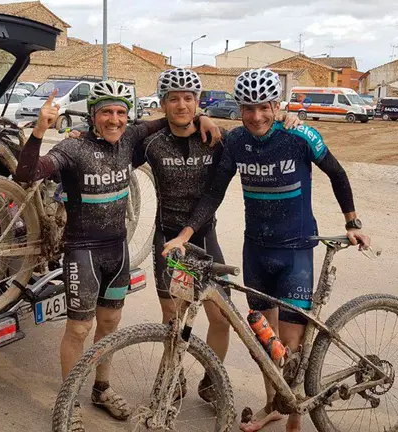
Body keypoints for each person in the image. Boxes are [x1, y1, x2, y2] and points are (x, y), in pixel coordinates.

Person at [162, 68, 370, 432]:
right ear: (240, 109)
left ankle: (294, 419)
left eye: (264, 107)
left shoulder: (299, 135)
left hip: (295, 250)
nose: (256, 116)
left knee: (290, 347)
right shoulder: (237, 142)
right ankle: (274, 404)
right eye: (248, 108)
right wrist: (186, 234)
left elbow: (337, 173)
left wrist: (353, 223)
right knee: (264, 343)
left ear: (276, 104)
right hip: (256, 249)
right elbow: (214, 193)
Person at [13, 81, 221, 431]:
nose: (114, 119)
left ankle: (102, 388)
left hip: (117, 250)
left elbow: (174, 118)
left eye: (121, 113)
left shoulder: (131, 140)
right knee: (79, 328)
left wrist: (204, 118)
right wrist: (38, 132)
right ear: (93, 116)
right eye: (106, 112)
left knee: (110, 325)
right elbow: (26, 174)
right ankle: (69, 401)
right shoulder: (72, 149)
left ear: (128, 117)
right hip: (83, 251)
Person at [133, 67, 303, 403]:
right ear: (164, 102)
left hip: (204, 237)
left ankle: (212, 382)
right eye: (174, 99)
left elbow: (257, 128)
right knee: (173, 318)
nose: (181, 105)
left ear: (197, 101)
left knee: (221, 317)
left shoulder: (217, 137)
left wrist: (286, 118)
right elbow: (115, 147)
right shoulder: (150, 143)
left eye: (188, 98)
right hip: (167, 239)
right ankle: (173, 378)